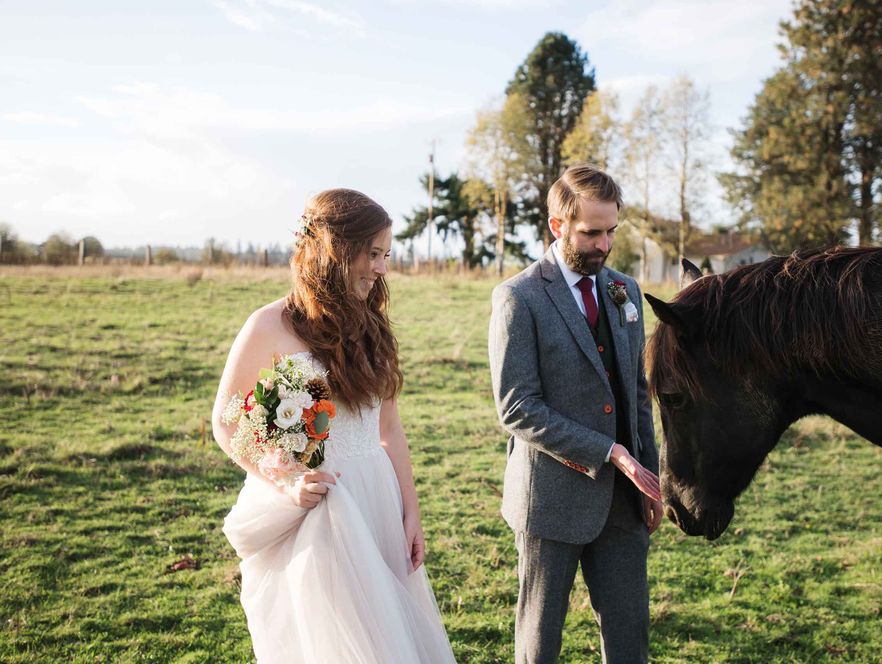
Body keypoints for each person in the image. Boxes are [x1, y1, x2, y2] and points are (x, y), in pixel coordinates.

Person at [213, 189, 455, 663]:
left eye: (386, 255)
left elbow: (390, 428)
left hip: (377, 500)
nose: (382, 268)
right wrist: (284, 480)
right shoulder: (268, 325)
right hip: (318, 505)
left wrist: (411, 511)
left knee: (390, 639)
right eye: (373, 253)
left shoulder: (373, 325)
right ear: (335, 251)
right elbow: (226, 420)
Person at [488, 164, 663, 663]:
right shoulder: (518, 298)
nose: (604, 245)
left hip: (625, 502)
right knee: (539, 645)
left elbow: (637, 391)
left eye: (611, 231)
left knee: (631, 642)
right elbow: (517, 407)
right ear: (557, 226)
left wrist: (648, 477)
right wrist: (609, 452)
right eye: (591, 233)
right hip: (548, 500)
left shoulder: (625, 291)